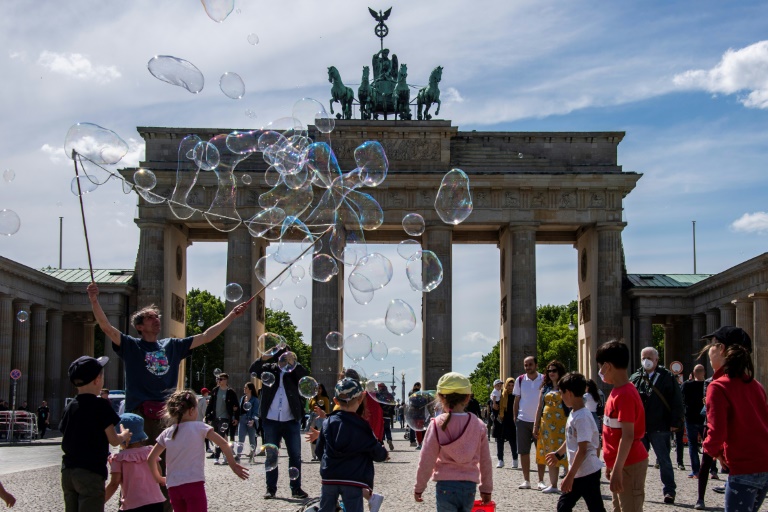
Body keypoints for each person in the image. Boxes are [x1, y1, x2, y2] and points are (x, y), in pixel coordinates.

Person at [87, 282, 247, 443]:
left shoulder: (172, 345)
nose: (156, 319)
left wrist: (232, 315)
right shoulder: (132, 345)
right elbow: (106, 327)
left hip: (167, 413)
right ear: (139, 326)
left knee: (164, 465)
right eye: (150, 317)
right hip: (139, 413)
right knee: (140, 462)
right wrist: (94, 300)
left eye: (157, 316)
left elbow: (206, 336)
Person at [700, 326, 768, 512]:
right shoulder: (756, 386)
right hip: (764, 465)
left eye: (711, 346)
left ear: (721, 349)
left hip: (742, 467)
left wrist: (711, 451)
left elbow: (717, 431)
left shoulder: (718, 387)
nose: (709, 351)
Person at [149, 390, 248, 511]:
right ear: (191, 410)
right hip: (193, 484)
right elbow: (223, 443)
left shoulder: (167, 432)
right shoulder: (200, 427)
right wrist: (233, 465)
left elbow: (151, 458)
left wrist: (158, 478)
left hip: (173, 486)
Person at [59, 356, 132, 511]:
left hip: (68, 471)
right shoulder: (100, 406)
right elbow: (113, 440)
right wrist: (124, 435)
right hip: (90, 471)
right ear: (98, 379)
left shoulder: (70, 406)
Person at [414, 372, 492, 511]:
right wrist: (486, 489)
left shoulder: (437, 424)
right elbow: (485, 461)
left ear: (441, 398)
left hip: (445, 485)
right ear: (468, 397)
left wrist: (419, 487)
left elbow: (427, 458)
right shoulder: (478, 424)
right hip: (469, 486)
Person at [315, 378, 388, 512]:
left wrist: (328, 464)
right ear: (360, 400)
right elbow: (374, 449)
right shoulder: (362, 426)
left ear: (336, 401)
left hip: (330, 477)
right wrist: (384, 454)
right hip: (353, 479)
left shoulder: (328, 422)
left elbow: (319, 450)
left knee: (325, 508)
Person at [249, 347, 309, 500]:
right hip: (271, 419)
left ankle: (296, 489)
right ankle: (271, 489)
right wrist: (265, 356)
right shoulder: (269, 369)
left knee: (295, 455)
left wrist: (294, 362)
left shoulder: (294, 372)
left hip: (291, 420)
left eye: (287, 357)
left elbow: (306, 376)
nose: (284, 360)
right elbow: (253, 369)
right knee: (271, 456)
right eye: (282, 357)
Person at [597, 340, 648, 512]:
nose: (600, 372)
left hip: (629, 464)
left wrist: (617, 468)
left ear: (607, 366)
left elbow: (628, 435)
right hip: (620, 464)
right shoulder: (617, 390)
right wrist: (611, 465)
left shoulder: (625, 393)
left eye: (600, 367)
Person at [629, 346, 684, 504]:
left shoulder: (667, 376)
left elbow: (677, 400)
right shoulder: (635, 377)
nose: (646, 361)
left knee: (664, 459)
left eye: (649, 358)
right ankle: (636, 489)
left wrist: (676, 421)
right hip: (640, 426)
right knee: (638, 460)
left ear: (656, 360)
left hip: (660, 424)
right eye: (643, 357)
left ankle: (669, 491)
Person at [545, 372, 605, 512]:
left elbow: (582, 449)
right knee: (564, 506)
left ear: (570, 393)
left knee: (592, 508)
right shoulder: (574, 413)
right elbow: (571, 438)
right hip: (579, 471)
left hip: (587, 471)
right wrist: (558, 454)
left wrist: (569, 476)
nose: (561, 396)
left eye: (562, 393)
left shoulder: (582, 417)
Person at [105, 413, 166, 511]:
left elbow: (114, 483)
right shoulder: (149, 451)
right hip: (156, 502)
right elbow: (158, 473)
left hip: (132, 505)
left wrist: (100, 501)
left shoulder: (118, 458)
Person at [534, 360, 569, 494]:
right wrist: (535, 425)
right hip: (547, 426)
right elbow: (539, 408)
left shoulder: (565, 386)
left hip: (563, 423)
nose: (551, 373)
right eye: (549, 371)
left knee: (566, 453)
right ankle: (553, 484)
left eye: (554, 370)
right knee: (550, 453)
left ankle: (569, 482)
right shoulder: (545, 388)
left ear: (559, 371)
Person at [513, 355, 545, 490]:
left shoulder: (544, 379)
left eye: (530, 364)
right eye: (526, 365)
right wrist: (515, 417)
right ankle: (526, 480)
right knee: (523, 451)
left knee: (540, 451)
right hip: (523, 419)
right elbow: (516, 400)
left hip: (540, 420)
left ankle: (541, 480)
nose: (528, 367)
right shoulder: (520, 380)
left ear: (536, 365)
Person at [204, 373, 238, 465]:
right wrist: (207, 414)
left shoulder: (230, 392)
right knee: (219, 438)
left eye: (221, 379)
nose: (219, 380)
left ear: (226, 380)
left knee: (220, 437)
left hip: (225, 418)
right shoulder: (215, 390)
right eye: (218, 379)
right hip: (215, 417)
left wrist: (236, 417)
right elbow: (211, 404)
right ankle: (225, 456)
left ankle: (217, 456)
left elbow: (236, 406)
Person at [681, 364, 706, 479]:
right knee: (708, 445)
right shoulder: (709, 385)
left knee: (692, 445)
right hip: (704, 419)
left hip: (690, 418)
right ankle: (712, 470)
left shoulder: (687, 385)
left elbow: (681, 399)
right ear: (704, 373)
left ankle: (696, 471)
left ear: (694, 373)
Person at [493, 377, 518, 469]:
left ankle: (515, 459)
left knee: (513, 441)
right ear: (506, 385)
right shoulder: (501, 395)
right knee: (500, 440)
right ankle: (500, 460)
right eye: (509, 385)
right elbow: (495, 406)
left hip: (512, 421)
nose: (511, 387)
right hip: (502, 420)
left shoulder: (516, 395)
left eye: (512, 385)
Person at [236, 382, 259, 462]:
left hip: (250, 420)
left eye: (246, 388)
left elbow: (256, 412)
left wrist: (253, 420)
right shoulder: (243, 398)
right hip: (242, 419)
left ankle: (252, 454)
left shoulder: (255, 400)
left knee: (252, 439)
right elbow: (240, 409)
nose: (244, 389)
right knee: (240, 438)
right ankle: (238, 455)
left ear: (250, 389)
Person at [309, 384, 332, 460]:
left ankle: (320, 453)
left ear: (322, 390)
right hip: (313, 418)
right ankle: (313, 455)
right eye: (316, 389)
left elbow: (327, 410)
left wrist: (327, 418)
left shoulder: (325, 398)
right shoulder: (313, 398)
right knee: (312, 435)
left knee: (320, 435)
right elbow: (310, 408)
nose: (318, 390)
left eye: (320, 388)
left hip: (321, 418)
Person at [376, 383, 396, 451]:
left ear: (380, 388)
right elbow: (393, 404)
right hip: (388, 416)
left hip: (381, 415)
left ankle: (381, 443)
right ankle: (389, 439)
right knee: (387, 428)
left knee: (381, 429)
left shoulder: (378, 395)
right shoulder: (390, 395)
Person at [197, 388, 211, 453]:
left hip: (195, 419)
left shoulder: (197, 400)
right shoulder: (204, 401)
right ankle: (207, 448)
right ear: (205, 393)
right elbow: (204, 411)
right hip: (201, 420)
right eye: (207, 392)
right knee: (205, 434)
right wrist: (207, 417)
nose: (208, 393)